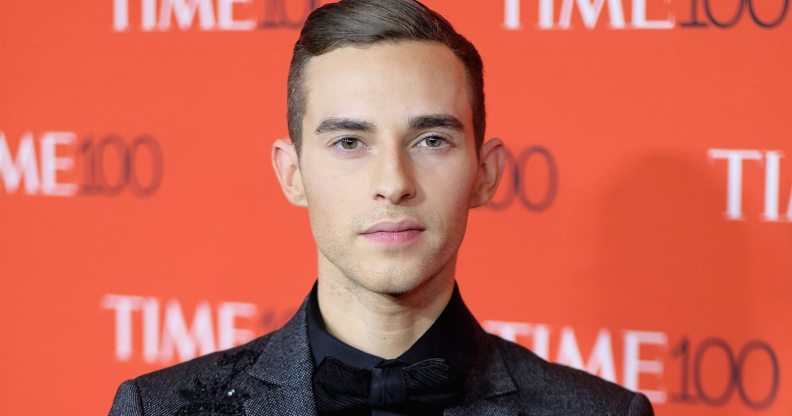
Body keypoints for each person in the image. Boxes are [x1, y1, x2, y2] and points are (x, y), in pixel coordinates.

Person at [109, 0, 654, 415]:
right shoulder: (160, 407)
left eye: (431, 140)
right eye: (350, 142)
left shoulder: (600, 412)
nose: (393, 183)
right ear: (292, 174)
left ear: (485, 173)